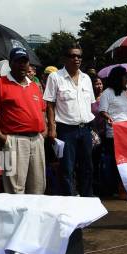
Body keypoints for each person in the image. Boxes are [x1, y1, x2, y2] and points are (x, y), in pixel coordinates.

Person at [0, 47, 47, 194]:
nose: (22, 65)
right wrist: (0, 136)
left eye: (24, 61)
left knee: (38, 187)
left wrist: (44, 131)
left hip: (36, 139)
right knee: (15, 189)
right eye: (18, 61)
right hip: (14, 139)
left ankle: (32, 217)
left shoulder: (34, 86)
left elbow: (42, 109)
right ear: (11, 64)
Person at [44, 44, 95, 197]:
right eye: (73, 56)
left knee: (87, 167)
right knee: (67, 168)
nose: (76, 59)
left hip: (85, 129)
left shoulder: (86, 78)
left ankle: (87, 199)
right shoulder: (55, 77)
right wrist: (52, 128)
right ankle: (69, 201)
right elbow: (50, 104)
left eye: (79, 56)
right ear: (65, 59)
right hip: (66, 130)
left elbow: (90, 104)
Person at [98, 66, 127, 197]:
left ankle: (124, 187)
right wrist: (109, 118)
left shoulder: (124, 92)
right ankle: (114, 189)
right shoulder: (107, 93)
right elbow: (102, 111)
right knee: (115, 163)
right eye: (125, 76)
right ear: (118, 78)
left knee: (125, 162)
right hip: (114, 134)